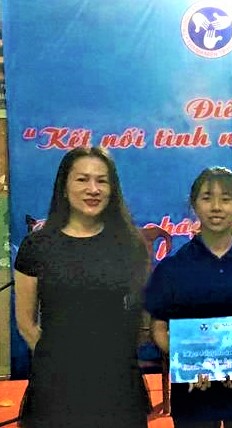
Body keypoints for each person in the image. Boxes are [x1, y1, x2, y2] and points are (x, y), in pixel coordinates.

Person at [14, 147, 150, 427]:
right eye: (82, 179)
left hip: (117, 382)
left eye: (102, 181)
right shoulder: (37, 246)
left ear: (112, 189)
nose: (93, 189)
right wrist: (59, 359)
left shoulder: (130, 244)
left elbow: (142, 319)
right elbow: (26, 323)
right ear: (64, 187)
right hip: (56, 384)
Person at [144, 167, 232, 428]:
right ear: (194, 205)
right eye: (207, 198)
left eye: (225, 199)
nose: (216, 207)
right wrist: (189, 363)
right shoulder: (173, 267)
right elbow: (158, 327)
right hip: (193, 390)